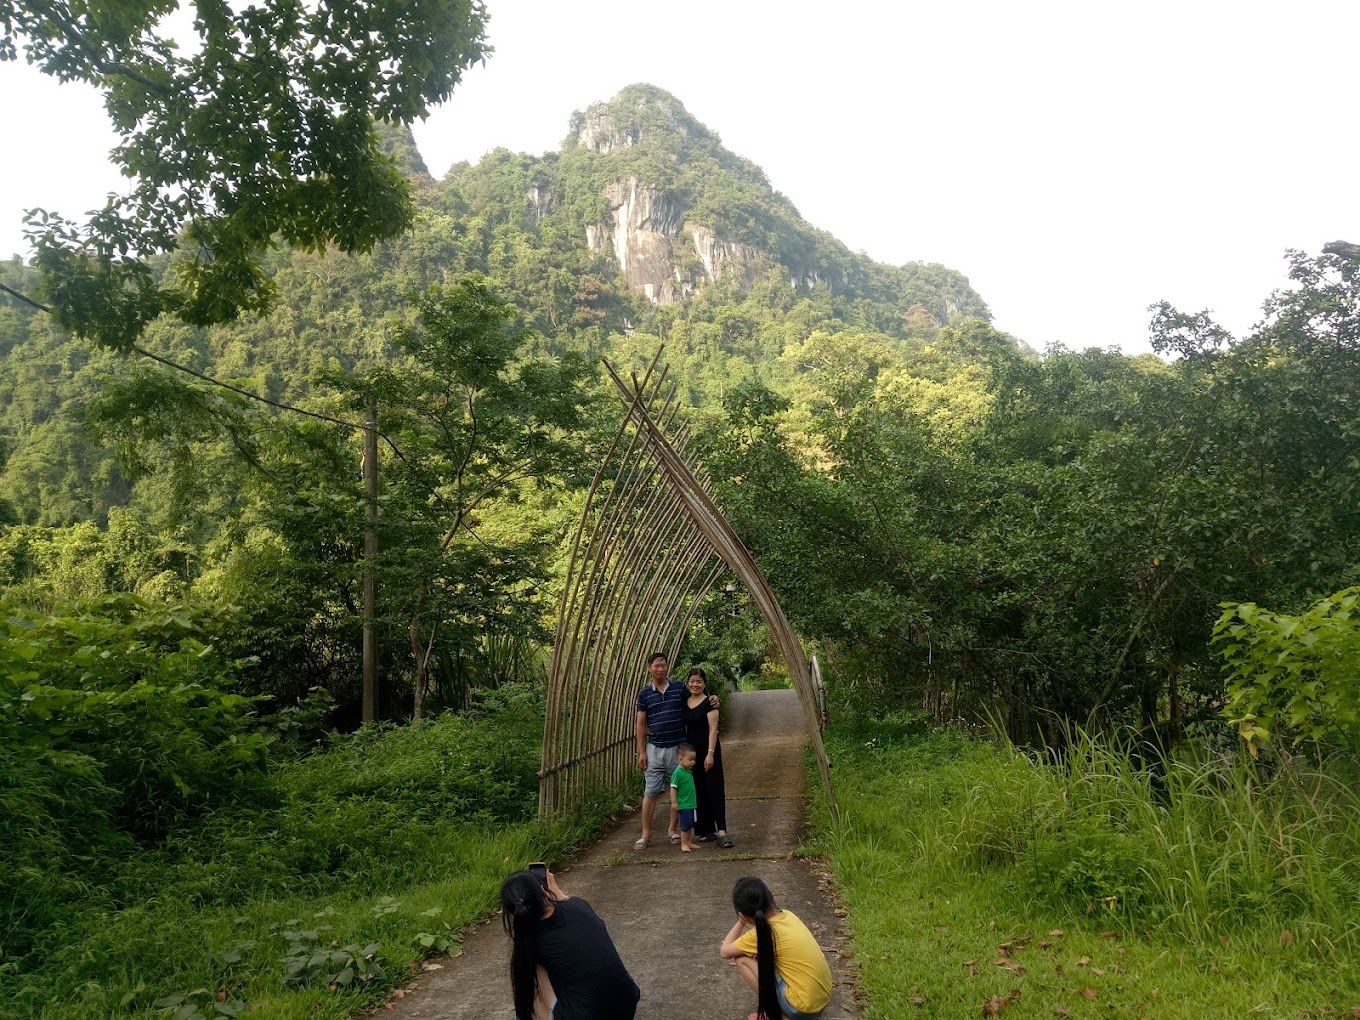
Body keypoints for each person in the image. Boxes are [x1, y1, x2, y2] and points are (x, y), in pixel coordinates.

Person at [499, 867, 640, 1020]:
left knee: (531, 969)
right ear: (543, 890)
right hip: (627, 1006)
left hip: (587, 1016)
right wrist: (553, 890)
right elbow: (567, 903)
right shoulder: (579, 906)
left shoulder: (531, 940)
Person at [720, 876, 833, 1020]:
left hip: (802, 1009)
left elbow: (725, 951)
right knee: (760, 955)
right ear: (771, 897)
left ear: (744, 915)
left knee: (741, 958)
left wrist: (741, 922)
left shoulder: (761, 933)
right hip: (822, 998)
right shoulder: (788, 915)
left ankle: (775, 1014)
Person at [634, 652, 715, 849]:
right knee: (650, 791)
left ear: (667, 667)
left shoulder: (679, 688)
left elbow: (696, 700)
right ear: (649, 669)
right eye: (656, 666)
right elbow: (641, 723)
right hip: (654, 748)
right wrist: (642, 751)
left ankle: (673, 830)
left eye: (663, 665)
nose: (660, 669)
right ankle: (645, 834)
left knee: (677, 790)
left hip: (678, 749)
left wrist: (712, 700)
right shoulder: (644, 694)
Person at [683, 666, 732, 848]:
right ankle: (705, 829)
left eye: (699, 682)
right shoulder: (684, 701)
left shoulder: (709, 703)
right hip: (691, 753)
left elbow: (713, 730)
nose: (695, 684)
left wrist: (710, 754)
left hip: (708, 750)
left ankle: (722, 831)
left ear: (704, 684)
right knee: (698, 789)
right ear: (688, 682)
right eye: (692, 681)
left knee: (714, 788)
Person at [670, 743, 699, 852]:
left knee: (690, 824)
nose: (693, 762)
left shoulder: (687, 772)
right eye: (690, 759)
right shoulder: (678, 773)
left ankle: (689, 842)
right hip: (684, 804)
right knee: (685, 825)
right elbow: (673, 787)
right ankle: (683, 843)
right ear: (680, 759)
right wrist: (674, 802)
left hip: (691, 803)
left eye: (694, 759)